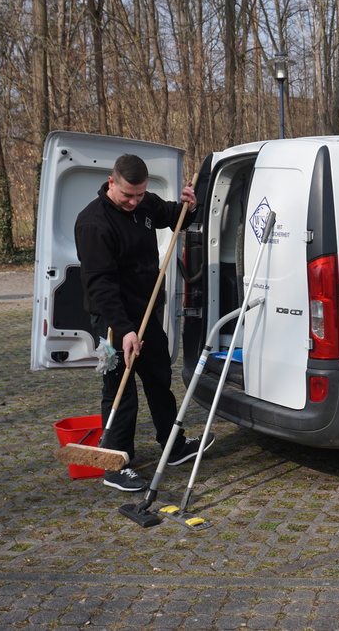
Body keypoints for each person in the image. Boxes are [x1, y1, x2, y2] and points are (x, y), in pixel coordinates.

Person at [74, 153, 211, 491]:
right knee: (120, 389)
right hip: (112, 319)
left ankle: (173, 445)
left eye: (139, 194)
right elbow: (100, 285)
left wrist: (189, 207)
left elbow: (174, 215)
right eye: (127, 195)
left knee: (158, 377)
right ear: (111, 183)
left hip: (146, 311)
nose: (134, 202)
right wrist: (123, 331)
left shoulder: (145, 204)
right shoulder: (94, 223)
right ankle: (116, 463)